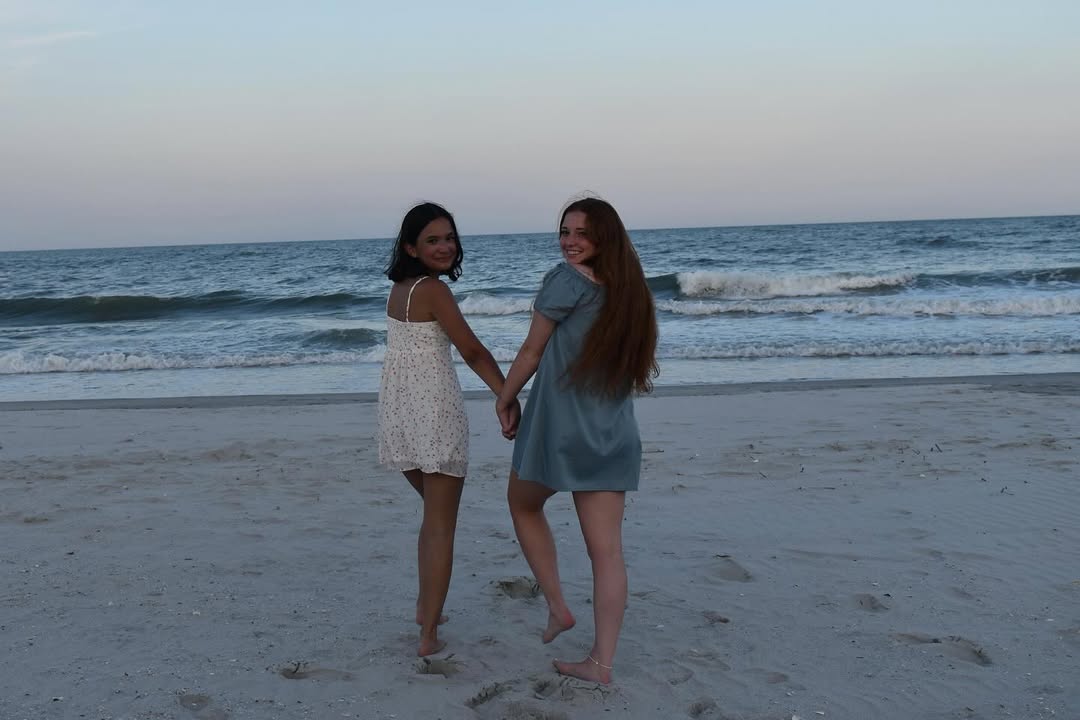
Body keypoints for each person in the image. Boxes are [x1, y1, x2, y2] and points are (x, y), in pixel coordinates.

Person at [495, 197, 658, 684]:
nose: (569, 241)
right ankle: (601, 664)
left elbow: (531, 350)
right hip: (613, 433)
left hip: (561, 430)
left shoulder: (565, 281)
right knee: (607, 553)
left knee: (522, 504)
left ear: (604, 236)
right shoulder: (630, 292)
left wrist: (505, 397)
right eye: (565, 231)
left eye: (581, 233)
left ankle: (557, 605)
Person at [378, 201, 516, 657]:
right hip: (434, 414)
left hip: (399, 414)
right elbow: (472, 351)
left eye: (449, 238)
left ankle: (425, 609)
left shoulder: (399, 289)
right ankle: (429, 634)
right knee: (440, 527)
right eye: (432, 240)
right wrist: (506, 394)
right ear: (410, 247)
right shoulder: (434, 291)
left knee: (433, 519)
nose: (444, 247)